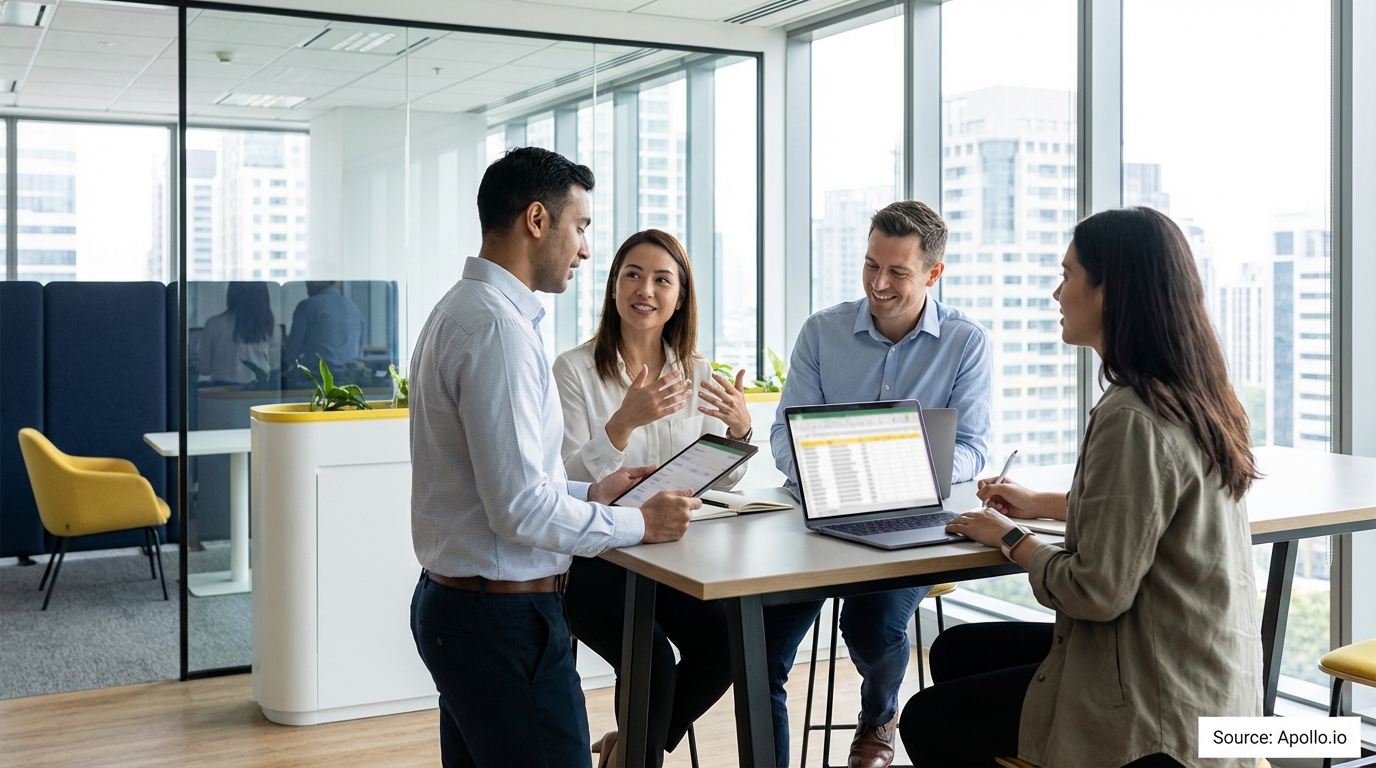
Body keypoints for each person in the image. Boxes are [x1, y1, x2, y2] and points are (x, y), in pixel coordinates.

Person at [899, 207, 1262, 768]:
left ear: (1109, 291)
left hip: (1157, 708)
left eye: (1068, 276)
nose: (1056, 292)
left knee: (926, 720)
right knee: (957, 650)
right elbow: (1145, 510)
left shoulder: (1131, 416)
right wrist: (1042, 504)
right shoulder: (1196, 392)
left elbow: (1096, 592)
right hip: (1205, 676)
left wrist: (1012, 537)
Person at [408, 147, 701, 768]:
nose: (586, 250)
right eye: (581, 227)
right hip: (501, 621)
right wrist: (638, 524)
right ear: (537, 221)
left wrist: (590, 494)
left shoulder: (465, 310)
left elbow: (519, 483)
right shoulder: (496, 331)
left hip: (471, 609)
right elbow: (520, 510)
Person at [764, 200, 992, 768]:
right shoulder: (822, 332)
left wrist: (896, 473)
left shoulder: (967, 342)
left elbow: (972, 451)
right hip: (819, 518)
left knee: (869, 625)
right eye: (871, 266)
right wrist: (830, 477)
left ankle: (879, 715)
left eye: (897, 272)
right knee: (758, 644)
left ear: (933, 273)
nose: (879, 283)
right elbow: (783, 436)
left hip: (912, 518)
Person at [553, 229, 751, 768]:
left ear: (680, 296)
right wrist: (620, 426)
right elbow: (561, 484)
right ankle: (635, 753)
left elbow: (719, 482)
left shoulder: (698, 373)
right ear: (614, 288)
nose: (646, 289)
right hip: (593, 559)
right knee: (654, 663)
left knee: (729, 646)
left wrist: (736, 436)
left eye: (662, 279)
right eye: (632, 275)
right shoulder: (572, 371)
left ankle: (629, 747)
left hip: (671, 558)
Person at [197, 281, 280, 385]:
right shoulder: (272, 328)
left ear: (231, 293)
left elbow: (204, 369)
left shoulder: (213, 324)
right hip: (257, 394)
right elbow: (275, 369)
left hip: (220, 395)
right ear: (263, 296)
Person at [282, 280, 365, 372]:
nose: (307, 283)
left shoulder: (307, 306)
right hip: (349, 378)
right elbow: (359, 354)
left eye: (312, 280)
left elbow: (292, 351)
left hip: (317, 378)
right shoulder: (354, 309)